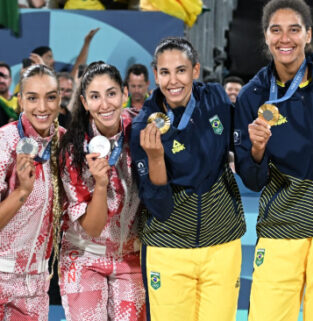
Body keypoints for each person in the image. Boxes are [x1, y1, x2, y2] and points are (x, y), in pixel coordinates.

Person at [234, 0, 313, 320]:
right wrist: (257, 151)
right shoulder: (252, 96)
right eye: (276, 30)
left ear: (308, 34)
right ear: (265, 36)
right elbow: (252, 179)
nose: (285, 38)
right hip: (281, 230)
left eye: (294, 29)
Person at [130, 36, 245, 321]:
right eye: (165, 72)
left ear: (195, 70)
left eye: (181, 70)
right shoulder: (142, 126)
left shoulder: (216, 98)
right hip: (168, 247)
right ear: (155, 74)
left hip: (222, 243)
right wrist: (156, 159)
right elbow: (159, 207)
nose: (173, 81)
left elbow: (241, 147)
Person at [57, 62, 145, 320]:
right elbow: (92, 228)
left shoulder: (140, 130)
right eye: (95, 96)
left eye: (111, 93)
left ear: (124, 93)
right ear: (84, 102)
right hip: (84, 255)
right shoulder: (73, 149)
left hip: (131, 256)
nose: (105, 104)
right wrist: (101, 185)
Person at [0, 64, 64, 320]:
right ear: (20, 100)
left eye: (50, 97)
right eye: (32, 97)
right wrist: (22, 192)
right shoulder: (4, 142)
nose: (42, 107)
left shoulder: (65, 145)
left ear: (60, 99)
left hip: (35, 284)